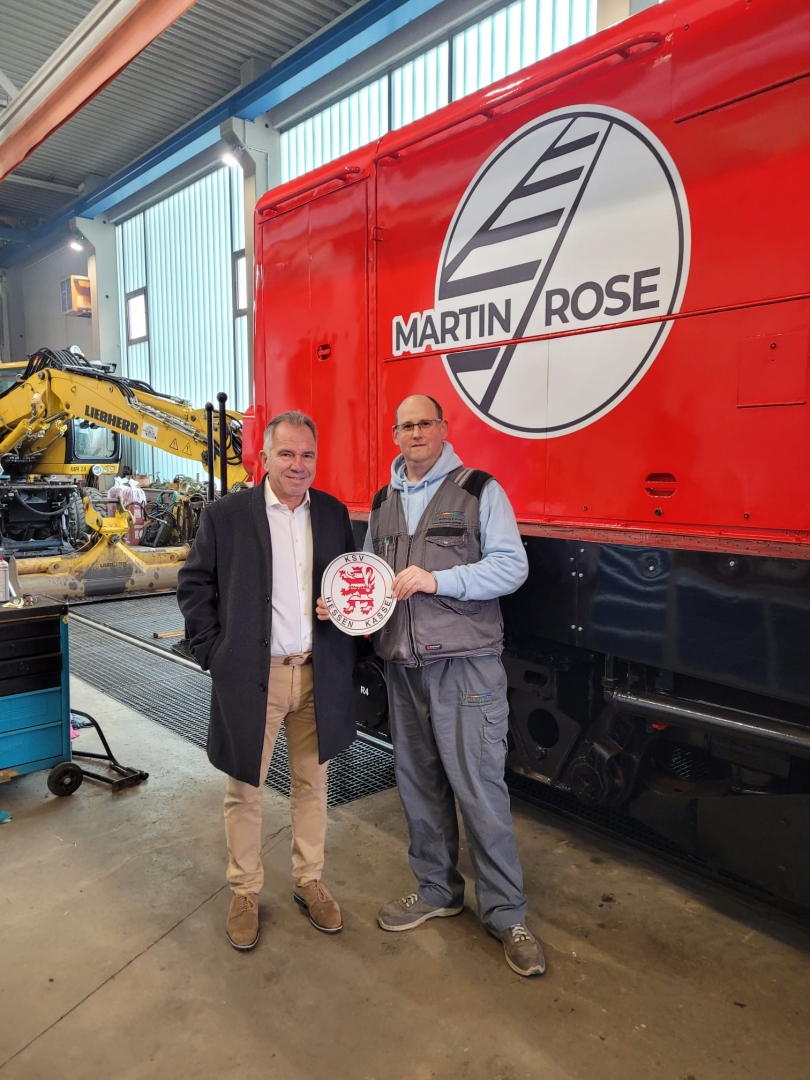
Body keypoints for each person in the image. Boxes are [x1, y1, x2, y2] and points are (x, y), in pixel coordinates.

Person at [365, 394, 544, 976]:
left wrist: (438, 578)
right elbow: (370, 578)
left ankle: (506, 913)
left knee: (479, 790)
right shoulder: (384, 501)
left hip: (466, 666)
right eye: (406, 425)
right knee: (418, 786)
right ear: (396, 434)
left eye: (425, 423)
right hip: (403, 667)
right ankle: (437, 890)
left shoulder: (478, 490)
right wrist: (342, 605)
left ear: (443, 428)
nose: (415, 433)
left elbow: (512, 567)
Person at [178, 411, 357, 951]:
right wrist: (215, 654)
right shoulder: (227, 515)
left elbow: (349, 580)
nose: (298, 465)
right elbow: (194, 585)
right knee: (245, 788)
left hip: (317, 672)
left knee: (313, 784)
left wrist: (339, 613)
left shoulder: (332, 513)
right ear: (264, 457)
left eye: (307, 454)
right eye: (287, 453)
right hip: (255, 675)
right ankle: (245, 891)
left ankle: (309, 879)